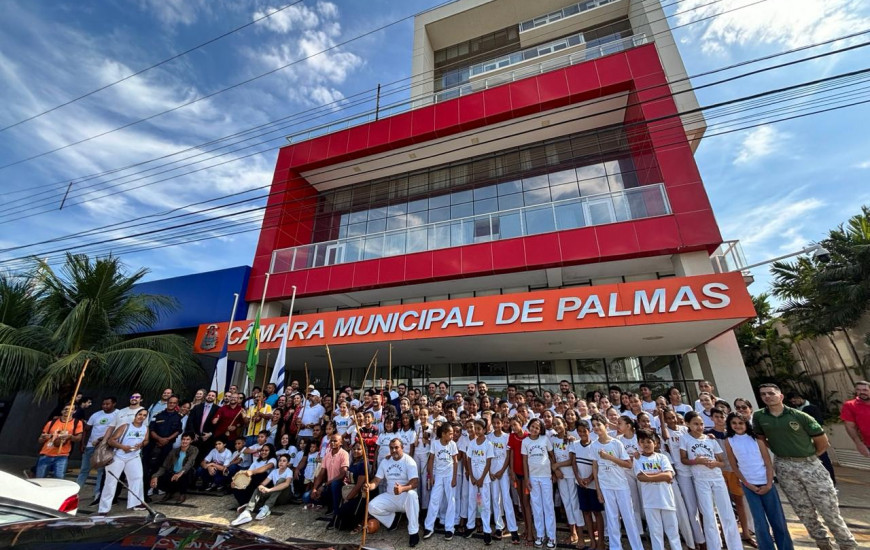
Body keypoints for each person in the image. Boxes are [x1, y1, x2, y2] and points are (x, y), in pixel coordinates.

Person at [753, 384, 856, 550]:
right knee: (803, 511)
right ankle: (823, 544)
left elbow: (822, 443)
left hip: (810, 465)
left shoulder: (800, 416)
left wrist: (810, 458)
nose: (767, 396)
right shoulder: (759, 417)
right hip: (785, 467)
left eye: (771, 393)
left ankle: (846, 544)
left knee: (828, 508)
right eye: (763, 394)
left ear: (781, 396)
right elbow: (761, 438)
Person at [722, 412, 793, 550]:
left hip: (766, 484)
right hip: (749, 486)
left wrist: (768, 483)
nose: (737, 426)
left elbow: (767, 462)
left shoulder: (757, 439)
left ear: (746, 423)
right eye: (734, 423)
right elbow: (734, 466)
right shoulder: (729, 441)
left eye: (740, 423)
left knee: (777, 520)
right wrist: (748, 484)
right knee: (760, 523)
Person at [680, 411, 742, 550]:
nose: (699, 427)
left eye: (701, 424)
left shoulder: (710, 439)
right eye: (695, 424)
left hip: (717, 477)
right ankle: (714, 546)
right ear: (687, 424)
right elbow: (683, 459)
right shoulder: (685, 439)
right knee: (708, 515)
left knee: (726, 513)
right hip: (700, 479)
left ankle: (735, 546)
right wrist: (696, 461)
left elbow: (722, 461)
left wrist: (715, 463)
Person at [590, 413, 642, 550]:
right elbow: (595, 467)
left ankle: (637, 547)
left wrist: (608, 457)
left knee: (629, 518)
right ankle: (615, 547)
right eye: (594, 425)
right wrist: (598, 489)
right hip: (606, 486)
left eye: (598, 425)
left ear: (606, 425)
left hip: (620, 485)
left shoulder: (616, 443)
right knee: (612, 519)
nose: (596, 428)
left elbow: (628, 464)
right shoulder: (594, 446)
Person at [365, 437, 421, 548]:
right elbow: (377, 480)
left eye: (396, 447)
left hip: (406, 497)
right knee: (371, 506)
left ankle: (414, 532)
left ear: (402, 448)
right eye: (391, 448)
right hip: (391, 496)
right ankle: (392, 521)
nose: (394, 450)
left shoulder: (409, 461)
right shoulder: (385, 461)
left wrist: (402, 488)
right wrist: (369, 486)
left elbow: (415, 483)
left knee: (412, 494)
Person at [634, 429, 681, 550]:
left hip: (666, 500)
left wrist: (649, 476)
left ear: (655, 443)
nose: (646, 444)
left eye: (649, 441)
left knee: (673, 532)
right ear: (639, 443)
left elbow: (669, 475)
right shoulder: (638, 459)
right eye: (643, 441)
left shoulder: (662, 457)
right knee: (656, 532)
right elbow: (640, 477)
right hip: (650, 502)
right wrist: (660, 475)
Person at [97, 407, 149, 515]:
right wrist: (122, 447)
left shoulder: (145, 428)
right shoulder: (125, 426)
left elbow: (146, 440)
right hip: (119, 455)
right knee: (111, 481)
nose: (141, 417)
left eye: (144, 415)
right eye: (140, 414)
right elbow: (111, 440)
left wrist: (142, 444)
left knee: (137, 478)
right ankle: (104, 508)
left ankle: (136, 503)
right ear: (135, 415)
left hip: (134, 456)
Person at [231, 453, 294, 525]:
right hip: (275, 496)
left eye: (284, 461)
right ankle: (247, 512)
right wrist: (261, 487)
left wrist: (269, 490)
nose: (281, 462)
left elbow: (286, 484)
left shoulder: (289, 471)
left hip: (285, 495)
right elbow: (264, 483)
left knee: (281, 481)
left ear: (288, 463)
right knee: (259, 488)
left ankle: (266, 507)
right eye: (280, 460)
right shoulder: (274, 471)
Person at [522, 418, 556, 549]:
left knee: (548, 506)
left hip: (546, 476)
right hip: (533, 477)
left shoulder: (545, 439)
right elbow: (525, 461)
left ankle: (551, 536)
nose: (534, 429)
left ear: (541, 430)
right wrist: (526, 478)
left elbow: (552, 456)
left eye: (537, 428)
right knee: (536, 506)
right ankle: (540, 535)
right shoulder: (525, 441)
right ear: (529, 427)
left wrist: (554, 472)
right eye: (533, 426)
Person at [77, 396, 118, 506]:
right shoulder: (96, 415)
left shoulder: (118, 414)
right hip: (90, 446)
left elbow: (117, 430)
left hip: (105, 447)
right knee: (84, 470)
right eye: (103, 404)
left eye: (107, 404)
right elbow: (87, 429)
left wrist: (103, 440)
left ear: (114, 404)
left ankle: (97, 494)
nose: (105, 406)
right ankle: (76, 492)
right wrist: (83, 443)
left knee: (100, 472)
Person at [571, 420, 603, 550]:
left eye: (585, 430)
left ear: (589, 431)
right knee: (586, 513)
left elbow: (597, 465)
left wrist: (590, 479)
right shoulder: (575, 444)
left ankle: (600, 541)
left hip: (593, 485)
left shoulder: (595, 445)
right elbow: (573, 463)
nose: (582, 433)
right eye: (580, 431)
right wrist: (578, 478)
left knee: (597, 512)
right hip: (580, 484)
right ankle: (592, 541)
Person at [423, 422, 458, 540]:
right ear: (443, 434)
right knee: (434, 499)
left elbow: (455, 462)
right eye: (450, 433)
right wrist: (431, 476)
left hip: (449, 475)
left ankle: (449, 528)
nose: (452, 436)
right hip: (438, 475)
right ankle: (429, 527)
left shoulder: (453, 444)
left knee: (451, 501)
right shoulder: (435, 443)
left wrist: (454, 478)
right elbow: (431, 459)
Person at [487, 414, 519, 543]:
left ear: (502, 423)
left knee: (506, 499)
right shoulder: (489, 437)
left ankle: (513, 529)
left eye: (498, 423)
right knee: (495, 499)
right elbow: (487, 456)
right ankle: (499, 526)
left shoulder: (507, 437)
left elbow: (508, 456)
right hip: (492, 473)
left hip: (503, 472)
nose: (496, 425)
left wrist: (501, 471)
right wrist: (490, 471)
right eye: (494, 423)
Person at [550, 417, 582, 546]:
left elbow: (571, 460)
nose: (556, 426)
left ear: (564, 424)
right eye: (554, 424)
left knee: (574, 503)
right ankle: (572, 532)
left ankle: (580, 534)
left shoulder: (571, 439)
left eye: (558, 423)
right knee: (566, 503)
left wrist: (557, 465)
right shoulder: (552, 439)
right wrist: (555, 470)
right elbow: (551, 456)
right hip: (561, 476)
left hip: (571, 475)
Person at [309, 433, 350, 527]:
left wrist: (325, 485)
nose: (332, 442)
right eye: (331, 440)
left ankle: (336, 515)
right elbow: (321, 473)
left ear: (341, 442)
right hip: (328, 484)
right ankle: (330, 505)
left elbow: (343, 474)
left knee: (335, 484)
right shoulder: (327, 455)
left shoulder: (344, 454)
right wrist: (315, 488)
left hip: (340, 484)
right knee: (307, 497)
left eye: (335, 441)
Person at [464, 418, 494, 545]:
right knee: (472, 502)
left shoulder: (488, 444)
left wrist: (481, 478)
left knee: (483, 504)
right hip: (473, 479)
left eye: (479, 428)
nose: (476, 431)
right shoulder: (472, 443)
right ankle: (470, 526)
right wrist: (471, 475)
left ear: (484, 430)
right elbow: (468, 460)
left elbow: (488, 462)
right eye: (475, 428)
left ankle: (486, 529)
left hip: (483, 480)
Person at [36, 405, 84, 479]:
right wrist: (43, 438)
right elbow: (40, 439)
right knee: (39, 478)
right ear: (62, 411)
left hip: (62, 455)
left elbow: (78, 438)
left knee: (59, 479)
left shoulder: (77, 423)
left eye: (70, 409)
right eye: (65, 409)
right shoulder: (51, 423)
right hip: (46, 454)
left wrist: (70, 437)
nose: (67, 411)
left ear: (74, 411)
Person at [149, 432, 199, 504]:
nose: (185, 441)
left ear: (191, 441)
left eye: (187, 439)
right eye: (183, 439)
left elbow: (189, 463)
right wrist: (155, 476)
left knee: (185, 475)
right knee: (159, 478)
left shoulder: (194, 449)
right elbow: (164, 466)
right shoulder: (174, 451)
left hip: (185, 473)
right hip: (173, 472)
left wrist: (180, 473)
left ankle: (182, 494)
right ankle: (169, 492)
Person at [840, 380, 870, 459]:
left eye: (865, 390)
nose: (861, 392)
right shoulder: (850, 405)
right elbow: (850, 427)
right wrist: (859, 443)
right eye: (858, 390)